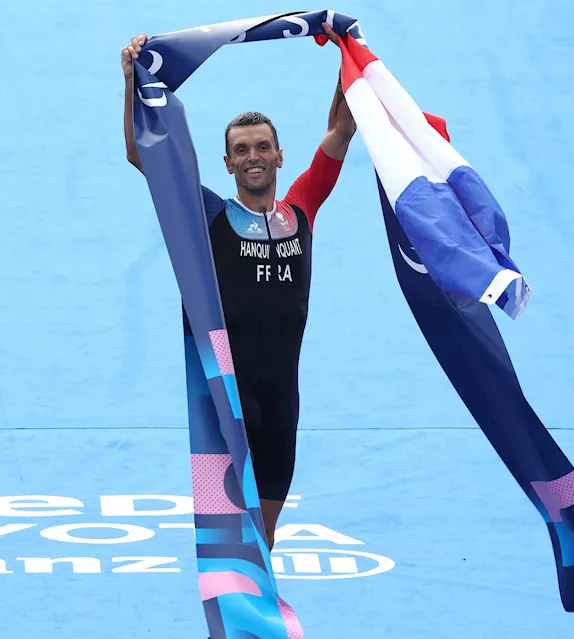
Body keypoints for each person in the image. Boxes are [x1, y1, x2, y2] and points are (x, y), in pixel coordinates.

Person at [119, 23, 357, 550]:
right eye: (241, 150)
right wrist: (130, 79)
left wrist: (349, 54)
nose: (252, 156)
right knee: (228, 539)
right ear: (227, 164)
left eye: (262, 147)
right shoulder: (208, 215)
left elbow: (340, 132)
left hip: (281, 402)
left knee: (265, 537)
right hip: (224, 400)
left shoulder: (302, 210)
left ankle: (255, 631)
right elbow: (142, 155)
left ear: (278, 156)